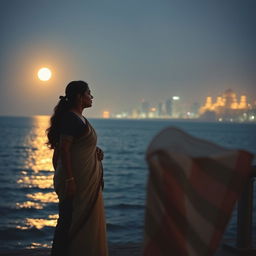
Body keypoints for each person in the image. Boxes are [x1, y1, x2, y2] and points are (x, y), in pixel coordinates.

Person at [46, 80, 108, 256]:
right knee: (67, 220)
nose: (92, 96)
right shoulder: (70, 118)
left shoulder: (79, 118)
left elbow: (78, 145)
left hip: (83, 180)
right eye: (89, 93)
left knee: (73, 220)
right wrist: (70, 180)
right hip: (73, 181)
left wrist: (94, 151)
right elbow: (63, 149)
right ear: (80, 97)